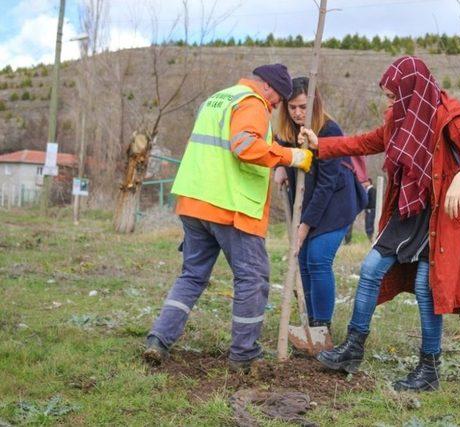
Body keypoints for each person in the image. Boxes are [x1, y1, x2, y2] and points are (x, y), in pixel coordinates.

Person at [299, 56, 460, 392]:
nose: (389, 103)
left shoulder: (448, 118)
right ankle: (352, 349)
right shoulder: (400, 119)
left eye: (392, 96)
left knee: (425, 287)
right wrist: (322, 145)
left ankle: (429, 369)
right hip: (408, 209)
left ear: (411, 91)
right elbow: (367, 142)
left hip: (438, 216)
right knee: (371, 267)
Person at [143, 64, 313, 372]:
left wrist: (277, 156)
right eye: (277, 101)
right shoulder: (252, 103)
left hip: (195, 203)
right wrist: (290, 157)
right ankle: (244, 354)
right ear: (269, 89)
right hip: (229, 207)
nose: (274, 108)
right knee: (253, 279)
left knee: (192, 276)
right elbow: (244, 146)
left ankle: (158, 339)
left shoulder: (220, 98)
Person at [274, 76, 366, 330]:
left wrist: (304, 227)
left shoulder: (329, 131)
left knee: (317, 259)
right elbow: (278, 149)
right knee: (302, 260)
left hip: (335, 204)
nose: (297, 112)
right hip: (305, 203)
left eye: (303, 107)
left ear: (315, 104)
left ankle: (320, 326)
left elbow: (326, 185)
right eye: (292, 107)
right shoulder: (288, 131)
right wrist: (279, 166)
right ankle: (309, 324)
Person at [344, 156, 376, 243]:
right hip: (366, 209)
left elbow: (371, 201)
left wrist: (368, 208)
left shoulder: (372, 190)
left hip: (370, 210)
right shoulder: (366, 190)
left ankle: (370, 238)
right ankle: (347, 239)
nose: (364, 183)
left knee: (369, 224)